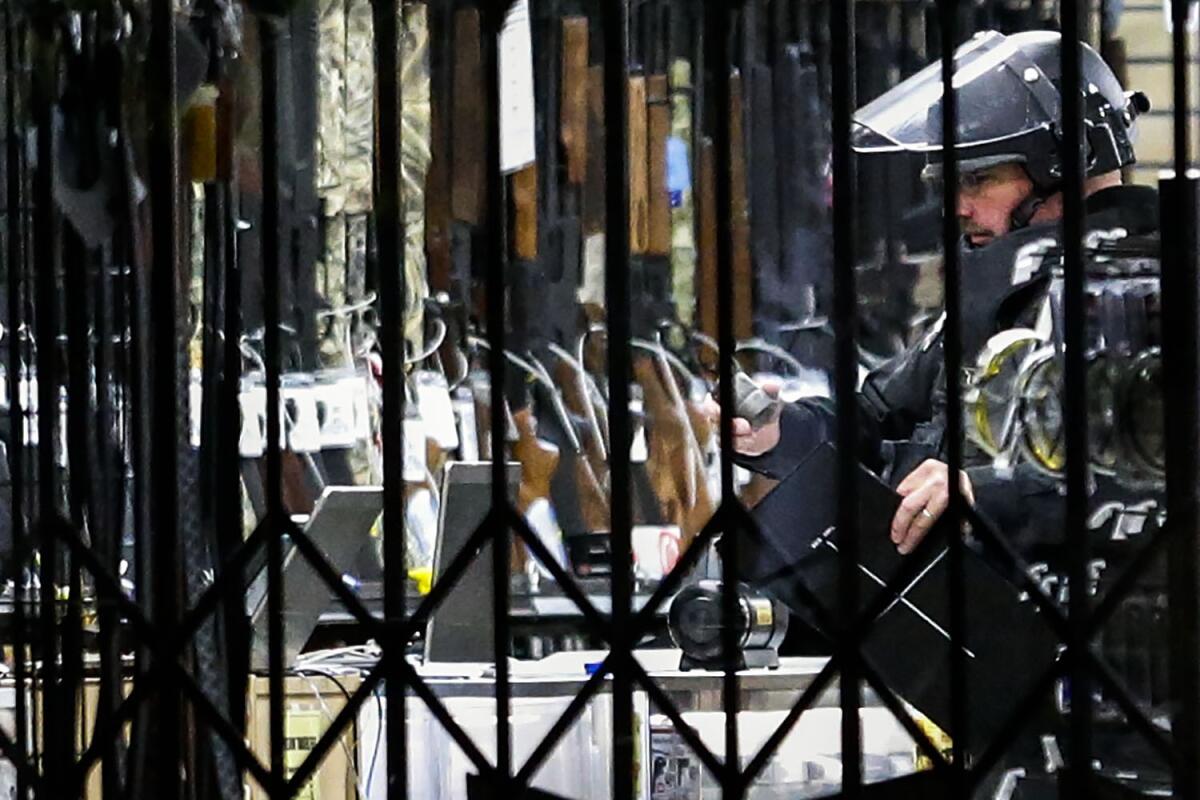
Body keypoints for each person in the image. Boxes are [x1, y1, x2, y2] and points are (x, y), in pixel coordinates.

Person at [705, 29, 1155, 557]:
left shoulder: (1151, 289)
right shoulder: (1002, 282)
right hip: (961, 609)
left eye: (979, 179)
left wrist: (984, 495)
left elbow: (1151, 471)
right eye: (947, 184)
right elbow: (876, 417)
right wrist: (781, 433)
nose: (956, 207)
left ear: (1067, 164)